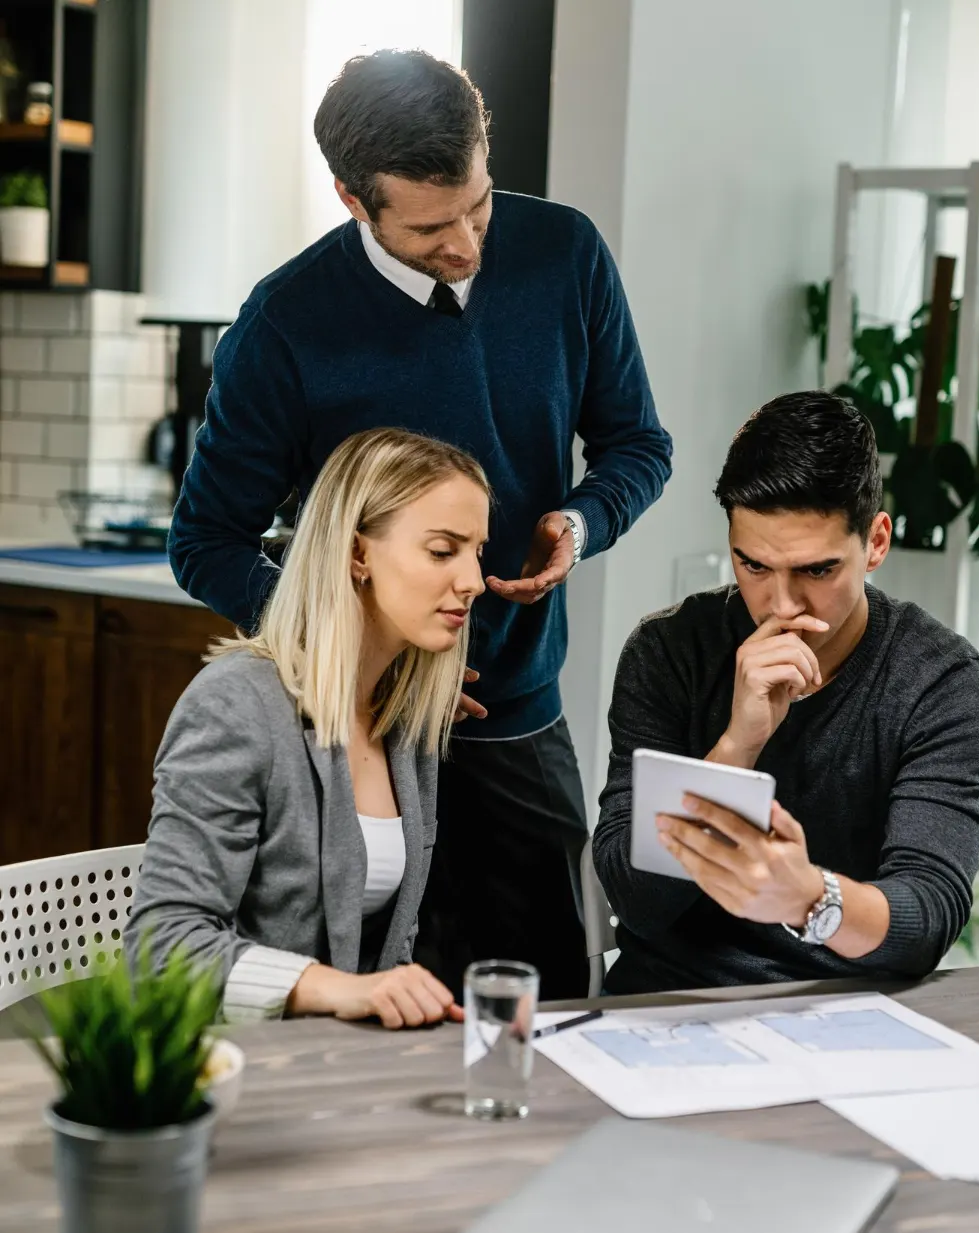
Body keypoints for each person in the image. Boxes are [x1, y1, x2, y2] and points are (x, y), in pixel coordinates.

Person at [167, 50, 672, 998]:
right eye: (434, 225)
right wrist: (357, 643)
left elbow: (638, 445)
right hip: (364, 736)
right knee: (381, 1002)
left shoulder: (565, 252)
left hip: (518, 716)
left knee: (554, 1003)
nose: (471, 243)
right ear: (355, 201)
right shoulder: (284, 325)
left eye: (479, 205)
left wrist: (580, 519)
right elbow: (204, 544)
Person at [592, 391, 979, 994]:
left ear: (876, 543)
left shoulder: (940, 680)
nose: (781, 605)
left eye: (816, 570)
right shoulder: (670, 651)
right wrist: (737, 746)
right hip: (670, 999)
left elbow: (927, 917)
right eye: (753, 566)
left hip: (850, 1009)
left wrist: (810, 897)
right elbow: (635, 897)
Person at [128, 428, 489, 1027]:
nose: (473, 580)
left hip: (341, 1069)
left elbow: (390, 948)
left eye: (478, 551)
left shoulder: (406, 717)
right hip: (233, 1068)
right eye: (442, 550)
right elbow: (162, 950)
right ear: (357, 554)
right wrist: (337, 990)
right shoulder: (235, 705)